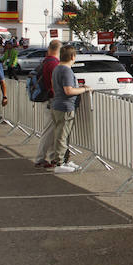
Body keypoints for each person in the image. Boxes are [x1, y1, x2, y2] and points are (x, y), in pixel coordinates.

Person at [43, 45, 90, 173]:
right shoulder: (66, 70)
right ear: (72, 57)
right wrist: (84, 89)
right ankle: (60, 162)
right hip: (65, 106)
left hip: (57, 104)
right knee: (62, 135)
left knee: (62, 134)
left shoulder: (57, 68)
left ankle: (64, 159)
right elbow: (68, 90)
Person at [33, 41, 63, 166]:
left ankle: (51, 157)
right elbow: (53, 83)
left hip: (47, 98)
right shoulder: (54, 63)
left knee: (52, 130)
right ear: (58, 50)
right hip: (51, 99)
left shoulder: (46, 61)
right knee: (49, 130)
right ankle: (40, 157)